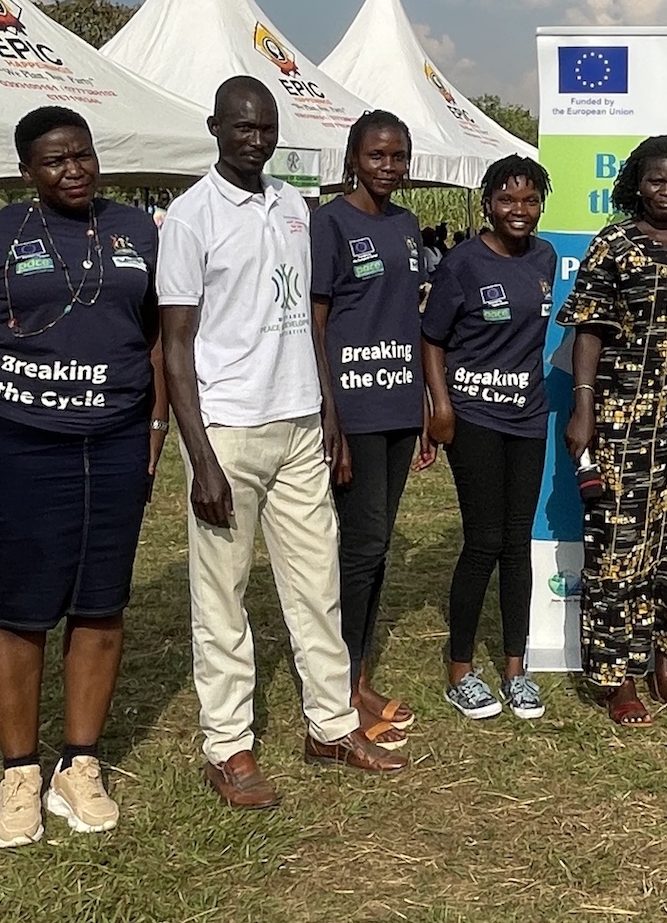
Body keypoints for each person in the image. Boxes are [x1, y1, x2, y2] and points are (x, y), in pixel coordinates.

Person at [159, 77, 404, 811]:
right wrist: (200, 455)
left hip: (300, 424)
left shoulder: (293, 207)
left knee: (316, 585)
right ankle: (228, 745)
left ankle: (330, 726)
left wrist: (326, 413)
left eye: (265, 127)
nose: (255, 139)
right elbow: (174, 345)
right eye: (242, 127)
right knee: (222, 596)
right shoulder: (188, 217)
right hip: (228, 431)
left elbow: (307, 323)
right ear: (215, 128)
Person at [0, 107, 167, 846]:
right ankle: (19, 773)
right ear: (27, 172)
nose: (72, 169)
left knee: (101, 604)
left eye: (82, 155)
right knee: (19, 608)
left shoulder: (137, 231)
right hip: (22, 444)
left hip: (113, 442)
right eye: (53, 160)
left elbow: (157, 336)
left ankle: (80, 764)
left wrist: (156, 425)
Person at [561, 135, 667, 725]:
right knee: (619, 549)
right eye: (656, 180)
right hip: (626, 420)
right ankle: (620, 679)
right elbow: (588, 328)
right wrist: (582, 406)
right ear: (636, 183)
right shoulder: (613, 244)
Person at [422, 154, 558, 722]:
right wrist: (442, 409)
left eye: (529, 200)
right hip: (474, 416)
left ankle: (515, 669)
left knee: (516, 543)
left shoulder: (546, 256)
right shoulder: (463, 263)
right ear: (488, 204)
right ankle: (460, 671)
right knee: (483, 541)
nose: (518, 211)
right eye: (507, 199)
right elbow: (431, 338)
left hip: (527, 416)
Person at [311, 109, 427, 748]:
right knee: (357, 550)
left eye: (398, 156)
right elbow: (317, 324)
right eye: (378, 155)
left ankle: (355, 677)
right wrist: (331, 419)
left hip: (397, 409)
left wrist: (422, 412)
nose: (389, 167)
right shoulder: (330, 222)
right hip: (351, 411)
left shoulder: (407, 225)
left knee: (376, 548)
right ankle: (340, 687)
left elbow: (408, 318)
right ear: (354, 157)